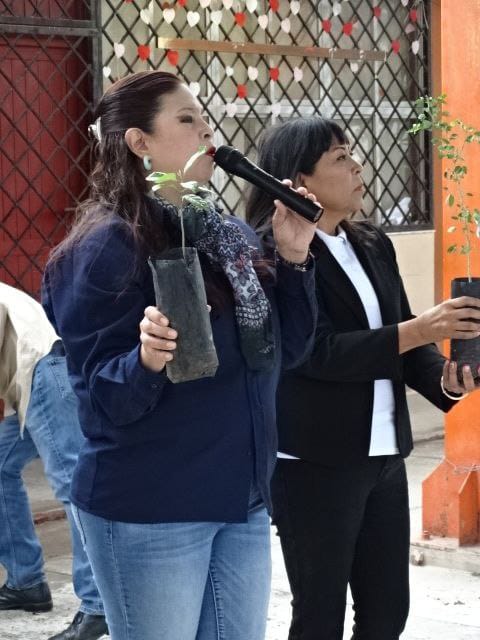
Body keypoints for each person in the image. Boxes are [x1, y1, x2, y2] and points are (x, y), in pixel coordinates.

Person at [41, 71, 319, 640]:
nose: (207, 132)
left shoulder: (229, 237)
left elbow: (285, 351)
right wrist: (145, 358)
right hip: (153, 505)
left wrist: (293, 258)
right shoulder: (104, 246)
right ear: (139, 142)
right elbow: (101, 397)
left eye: (205, 118)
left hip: (240, 497)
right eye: (187, 120)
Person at [245, 116, 480, 640]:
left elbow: (404, 335)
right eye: (340, 158)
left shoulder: (371, 242)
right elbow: (314, 353)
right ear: (299, 181)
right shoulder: (275, 253)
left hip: (383, 454)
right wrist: (420, 328)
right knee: (319, 616)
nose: (357, 166)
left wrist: (447, 380)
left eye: (351, 153)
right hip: (315, 459)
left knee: (387, 613)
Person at [0, 282, 107, 640]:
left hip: (42, 371)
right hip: (33, 377)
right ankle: (26, 582)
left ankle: (97, 605)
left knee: (72, 485)